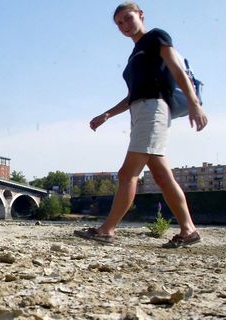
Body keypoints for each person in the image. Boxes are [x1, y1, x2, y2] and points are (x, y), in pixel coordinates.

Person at [74, 1, 207, 248]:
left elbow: (177, 68)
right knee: (162, 176)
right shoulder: (134, 56)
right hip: (140, 112)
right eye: (119, 23)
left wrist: (194, 102)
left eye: (127, 18)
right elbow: (132, 96)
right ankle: (188, 230)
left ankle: (107, 230)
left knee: (127, 173)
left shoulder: (156, 37)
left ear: (141, 15)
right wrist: (106, 115)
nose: (124, 25)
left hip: (153, 109)